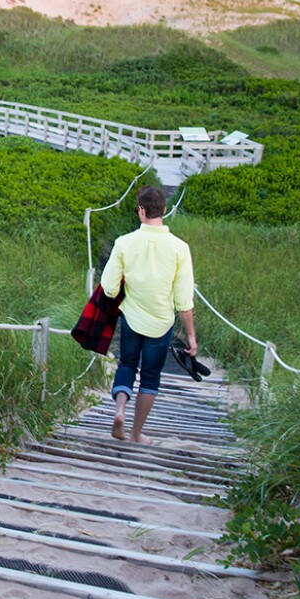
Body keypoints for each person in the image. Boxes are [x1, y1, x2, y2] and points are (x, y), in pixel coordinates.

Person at [99, 185, 197, 445]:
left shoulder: (124, 243)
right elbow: (184, 299)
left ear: (141, 211)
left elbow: (109, 288)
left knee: (127, 365)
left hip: (130, 319)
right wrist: (191, 337)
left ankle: (119, 411)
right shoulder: (180, 248)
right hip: (161, 324)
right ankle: (135, 433)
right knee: (151, 377)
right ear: (164, 210)